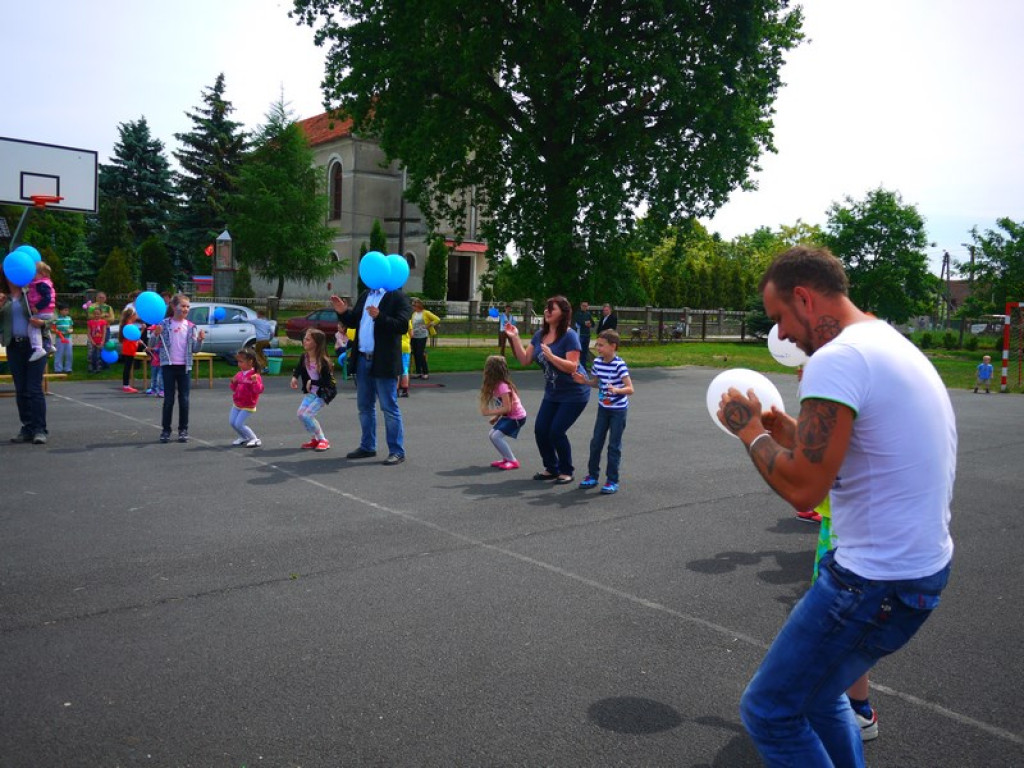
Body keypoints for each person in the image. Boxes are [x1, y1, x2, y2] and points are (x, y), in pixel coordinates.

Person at [716, 246, 955, 767]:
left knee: (769, 711)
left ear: (804, 297)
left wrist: (750, 431)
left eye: (780, 317)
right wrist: (786, 430)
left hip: (871, 581)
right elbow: (856, 456)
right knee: (822, 694)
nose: (780, 335)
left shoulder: (836, 358)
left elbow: (804, 489)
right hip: (916, 571)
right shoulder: (887, 342)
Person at [810, 495, 878, 742]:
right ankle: (856, 708)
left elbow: (804, 494)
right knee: (843, 630)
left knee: (841, 630)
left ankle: (857, 711)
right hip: (845, 529)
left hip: (847, 535)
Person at [505, 295, 590, 484]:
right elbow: (525, 360)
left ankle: (566, 470)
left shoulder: (570, 336)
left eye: (552, 308)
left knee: (556, 431)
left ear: (563, 313)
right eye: (546, 308)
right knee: (541, 430)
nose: (547, 311)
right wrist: (515, 338)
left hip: (574, 393)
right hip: (553, 392)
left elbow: (572, 366)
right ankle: (551, 468)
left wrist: (552, 357)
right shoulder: (540, 335)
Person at [331, 285, 412, 466]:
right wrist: (343, 312)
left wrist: (380, 316)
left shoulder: (398, 297)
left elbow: (402, 326)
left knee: (389, 407)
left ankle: (397, 451)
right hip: (362, 359)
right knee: (364, 406)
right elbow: (354, 321)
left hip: (383, 361)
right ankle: (367, 446)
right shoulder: (366, 295)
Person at [573, 329, 633, 494]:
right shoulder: (598, 362)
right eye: (597, 344)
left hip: (618, 411)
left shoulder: (619, 365)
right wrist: (584, 381)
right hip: (603, 408)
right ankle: (592, 476)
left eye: (601, 345)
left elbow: (630, 388)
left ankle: (612, 480)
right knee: (596, 443)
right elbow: (597, 383)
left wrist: (617, 390)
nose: (597, 348)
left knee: (614, 446)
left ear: (613, 346)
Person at [151, 294, 206, 443]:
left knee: (185, 399)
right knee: (168, 400)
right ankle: (166, 430)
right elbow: (152, 343)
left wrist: (200, 340)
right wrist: (155, 334)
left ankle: (183, 429)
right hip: (168, 366)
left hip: (184, 367)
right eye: (183, 306)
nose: (186, 309)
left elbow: (194, 349)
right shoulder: (164, 324)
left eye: (188, 306)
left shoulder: (190, 326)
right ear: (174, 307)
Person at [0, 279, 49, 443]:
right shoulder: (4, 297)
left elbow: (50, 317)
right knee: (21, 389)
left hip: (36, 345)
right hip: (14, 345)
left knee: (34, 388)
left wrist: (43, 323)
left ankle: (39, 429)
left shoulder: (33, 292)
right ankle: (27, 427)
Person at [290, 328, 337, 452]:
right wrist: (295, 377)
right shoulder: (304, 357)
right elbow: (299, 368)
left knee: (308, 415)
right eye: (304, 338)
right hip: (312, 392)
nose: (304, 341)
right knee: (301, 414)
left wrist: (313, 382)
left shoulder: (323, 361)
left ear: (316, 343)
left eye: (308, 339)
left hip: (324, 392)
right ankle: (314, 439)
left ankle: (323, 440)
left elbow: (328, 382)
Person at [479, 354, 527, 470]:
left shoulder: (502, 387)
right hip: (508, 416)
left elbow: (508, 408)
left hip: (517, 417)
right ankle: (506, 458)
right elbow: (503, 406)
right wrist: (496, 417)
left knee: (496, 437)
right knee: (492, 435)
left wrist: (489, 412)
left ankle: (513, 460)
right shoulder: (496, 385)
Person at [229, 347, 265, 447]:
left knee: (239, 424)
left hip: (248, 405)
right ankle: (244, 437)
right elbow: (234, 388)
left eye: (241, 362)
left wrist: (255, 382)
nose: (239, 364)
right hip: (237, 403)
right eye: (238, 362)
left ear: (250, 362)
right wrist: (233, 383)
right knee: (232, 422)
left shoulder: (255, 376)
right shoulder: (239, 374)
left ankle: (255, 439)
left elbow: (259, 390)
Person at [26, 261, 56, 362]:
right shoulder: (45, 283)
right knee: (45, 330)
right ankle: (51, 345)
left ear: (41, 273)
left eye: (34, 273)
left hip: (43, 311)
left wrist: (37, 307)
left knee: (33, 327)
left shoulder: (41, 285)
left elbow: (47, 298)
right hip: (48, 311)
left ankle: (38, 348)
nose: (32, 276)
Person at [409, 298, 440, 380]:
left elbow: (437, 319)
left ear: (418, 305)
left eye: (414, 305)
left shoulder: (426, 313)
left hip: (422, 335)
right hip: (414, 335)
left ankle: (425, 372)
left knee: (420, 353)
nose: (413, 307)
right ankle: (418, 372)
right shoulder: (414, 314)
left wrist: (429, 325)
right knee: (415, 353)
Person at [118, 307, 146, 393]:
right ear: (131, 316)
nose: (137, 317)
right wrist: (143, 329)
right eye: (135, 315)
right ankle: (126, 385)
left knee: (128, 367)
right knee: (128, 367)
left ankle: (126, 385)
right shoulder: (129, 325)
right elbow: (135, 337)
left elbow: (134, 337)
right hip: (129, 348)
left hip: (129, 348)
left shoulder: (127, 324)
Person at [52, 303, 74, 374]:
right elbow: (53, 328)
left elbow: (71, 327)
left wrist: (70, 330)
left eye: (67, 310)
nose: (66, 312)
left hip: (68, 338)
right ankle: (58, 369)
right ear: (60, 311)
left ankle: (68, 368)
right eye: (65, 310)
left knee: (69, 353)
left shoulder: (69, 318)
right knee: (59, 353)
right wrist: (57, 331)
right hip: (59, 338)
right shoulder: (56, 318)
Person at [145, 323, 165, 396]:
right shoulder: (153, 338)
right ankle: (153, 389)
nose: (152, 333)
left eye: (153, 331)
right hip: (154, 361)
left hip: (161, 361)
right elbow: (151, 351)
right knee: (154, 377)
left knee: (160, 377)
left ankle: (162, 390)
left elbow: (161, 349)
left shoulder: (162, 340)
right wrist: (148, 350)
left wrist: (152, 349)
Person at [86, 306, 107, 374]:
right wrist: (92, 341)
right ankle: (90, 367)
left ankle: (98, 367)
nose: (96, 315)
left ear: (101, 314)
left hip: (100, 340)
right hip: (92, 340)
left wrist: (102, 341)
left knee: (99, 355)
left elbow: (104, 332)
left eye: (98, 313)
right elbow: (89, 333)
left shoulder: (103, 322)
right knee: (91, 354)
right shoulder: (90, 322)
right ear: (93, 314)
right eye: (95, 313)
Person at [573, 300, 594, 367]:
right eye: (583, 306)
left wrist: (590, 324)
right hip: (580, 335)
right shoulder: (577, 314)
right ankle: (577, 366)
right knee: (578, 351)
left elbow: (593, 323)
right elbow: (578, 321)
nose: (585, 307)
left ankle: (583, 367)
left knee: (585, 352)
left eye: (586, 306)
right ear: (581, 306)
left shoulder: (588, 314)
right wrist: (585, 323)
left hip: (587, 335)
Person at [398, 320, 411, 397]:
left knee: (396, 369)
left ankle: (395, 390)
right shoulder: (408, 321)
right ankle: (405, 390)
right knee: (405, 369)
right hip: (406, 346)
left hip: (396, 345)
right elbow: (411, 334)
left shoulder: (394, 319)